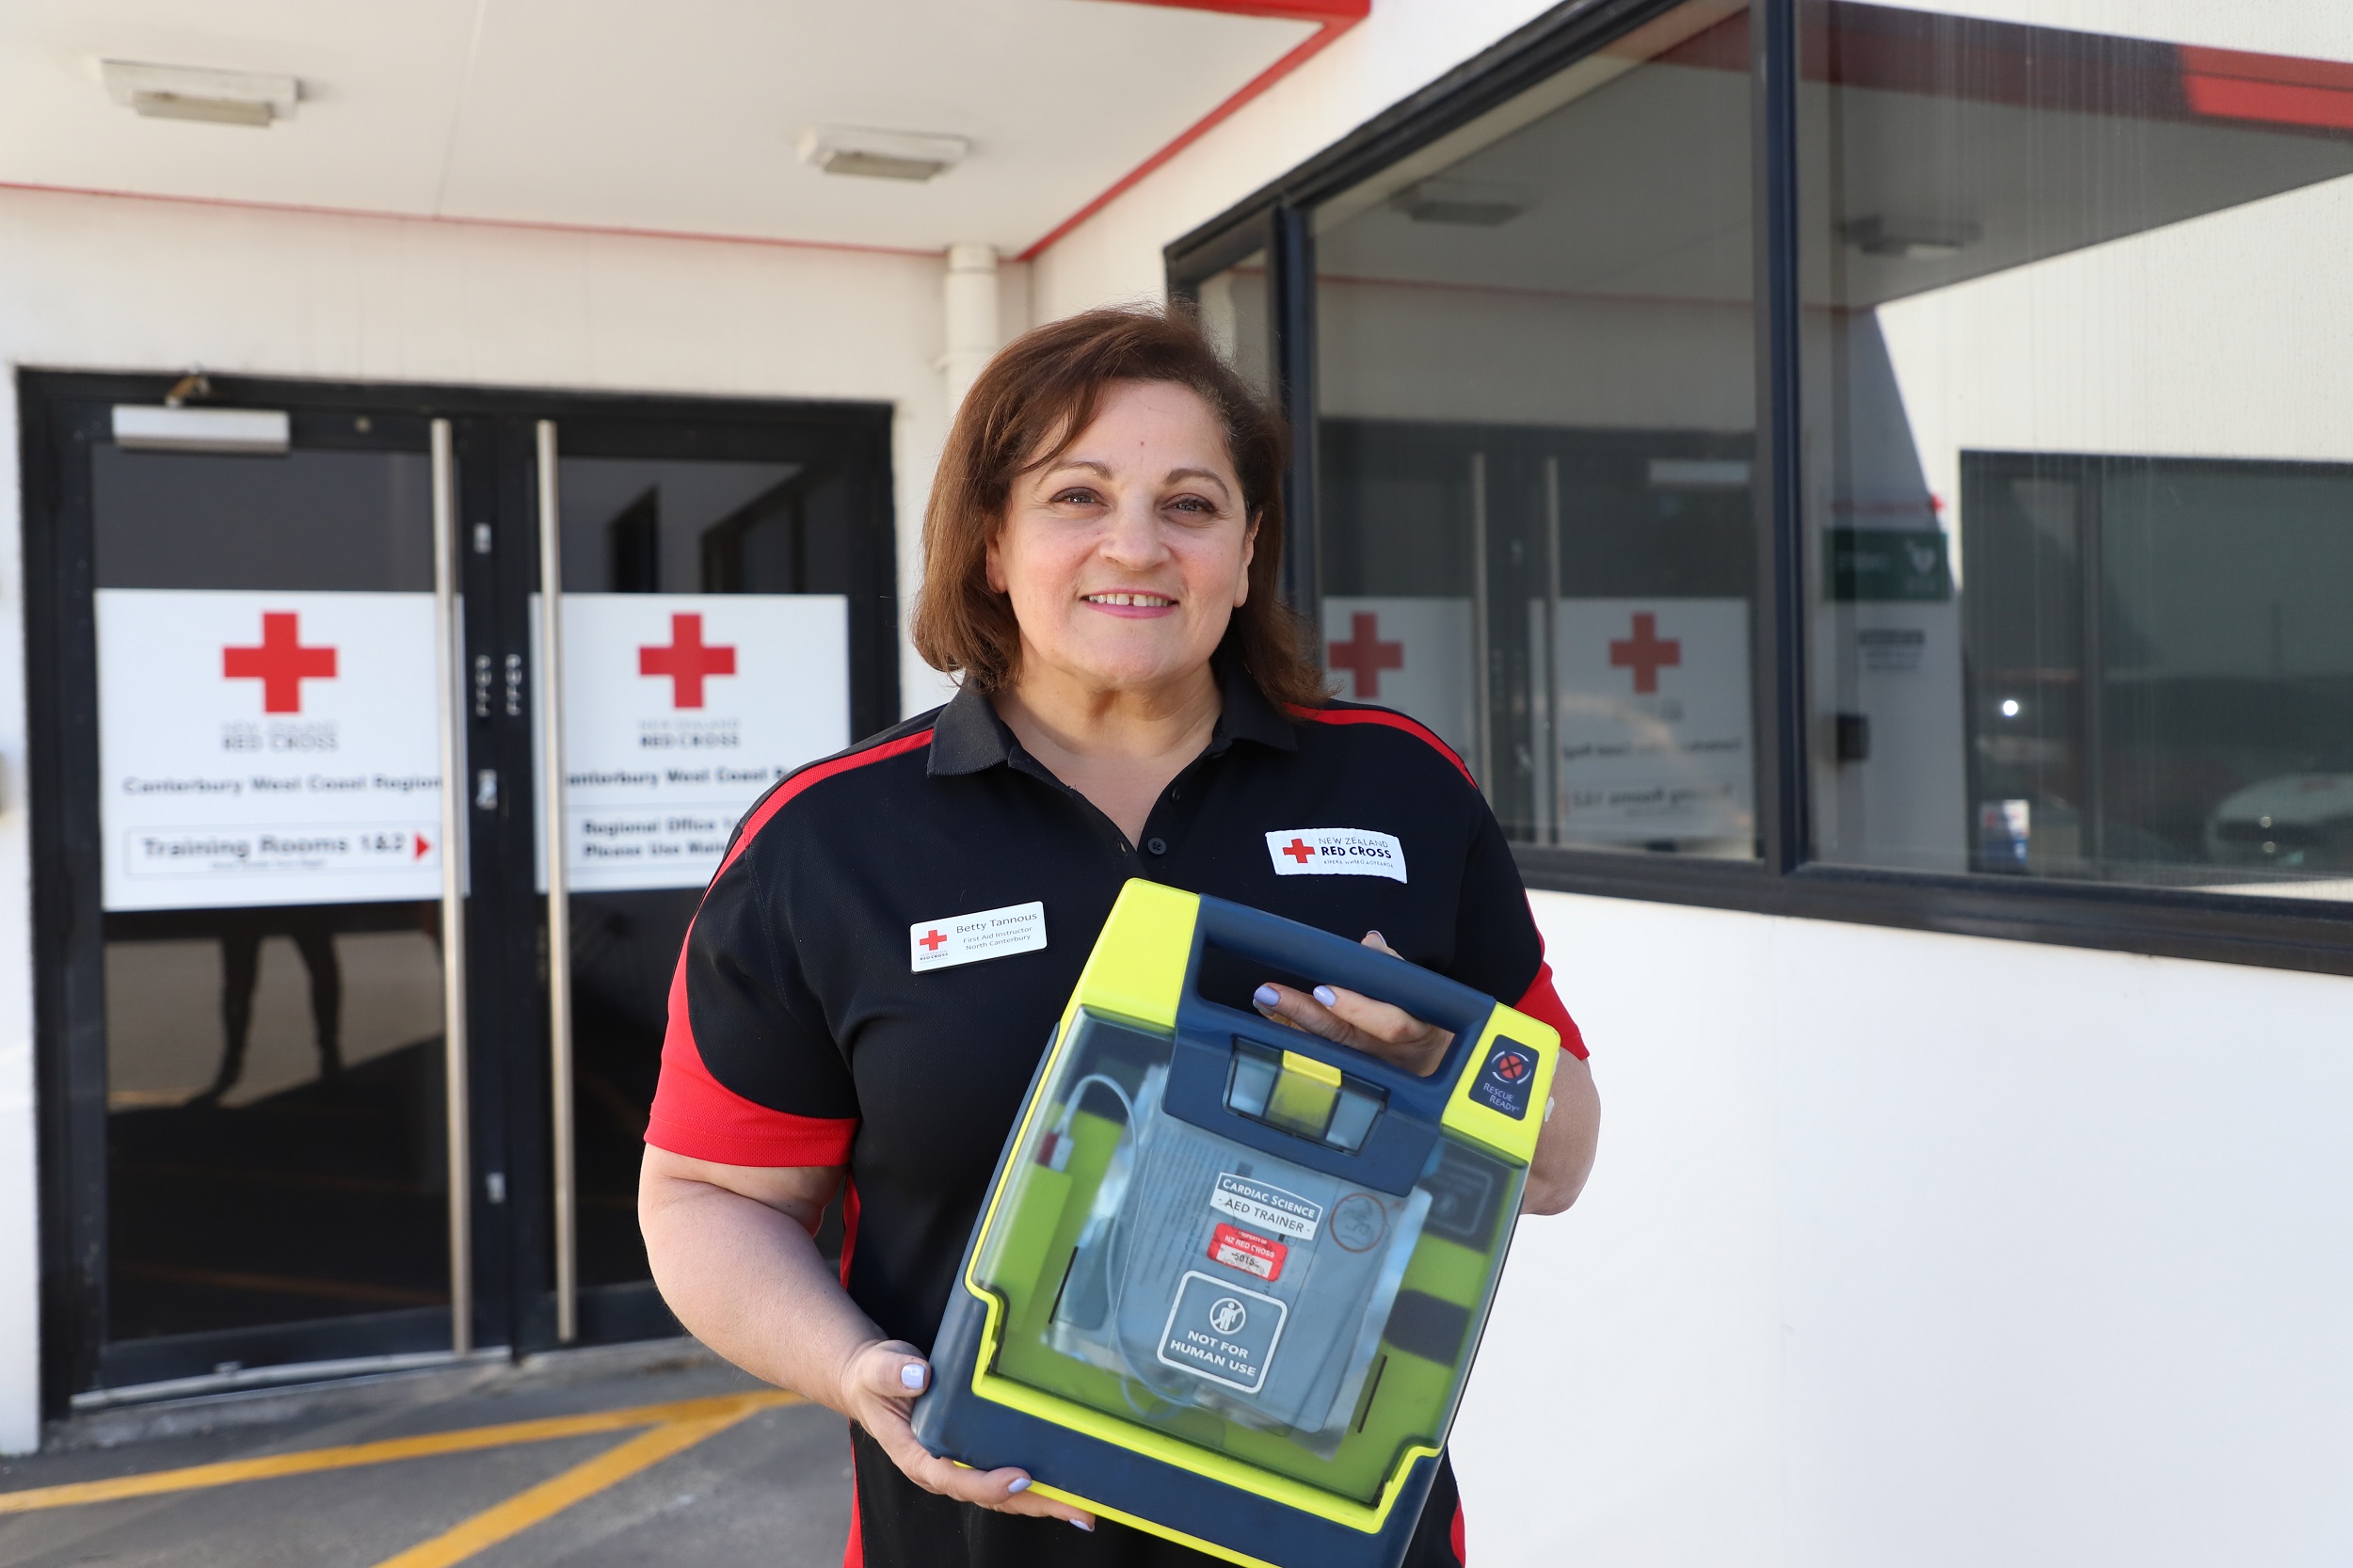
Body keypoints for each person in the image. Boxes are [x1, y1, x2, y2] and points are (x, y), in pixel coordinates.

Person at [638, 305, 1602, 1567]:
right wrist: (854, 1371)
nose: (1135, 545)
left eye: (1191, 504)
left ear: (1249, 549)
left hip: (1333, 1532)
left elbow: (1560, 1156)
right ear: (991, 542)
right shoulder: (830, 842)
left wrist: (1448, 1063)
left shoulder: (1400, 792)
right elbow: (705, 1194)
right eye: (1076, 496)